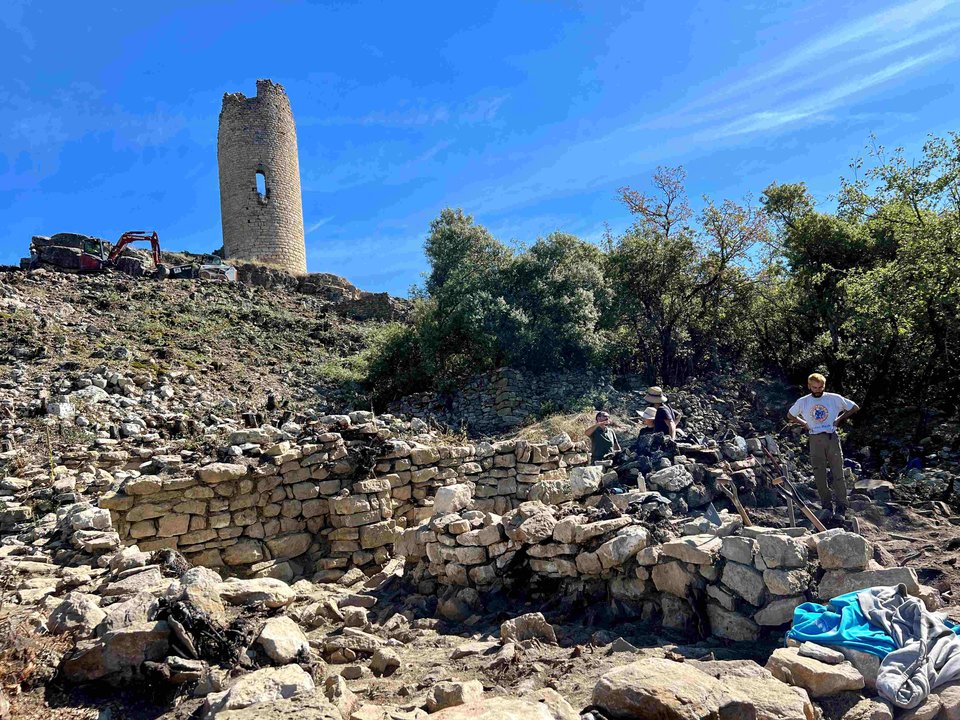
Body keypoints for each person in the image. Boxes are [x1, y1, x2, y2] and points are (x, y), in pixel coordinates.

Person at [788, 372, 861, 519]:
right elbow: (790, 415)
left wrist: (839, 419)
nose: (818, 390)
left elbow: (854, 407)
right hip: (815, 438)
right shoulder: (803, 401)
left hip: (831, 437)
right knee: (819, 473)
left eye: (820, 387)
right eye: (814, 387)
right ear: (809, 386)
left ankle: (842, 506)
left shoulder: (833, 398)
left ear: (824, 386)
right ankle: (826, 505)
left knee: (837, 472)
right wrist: (804, 424)